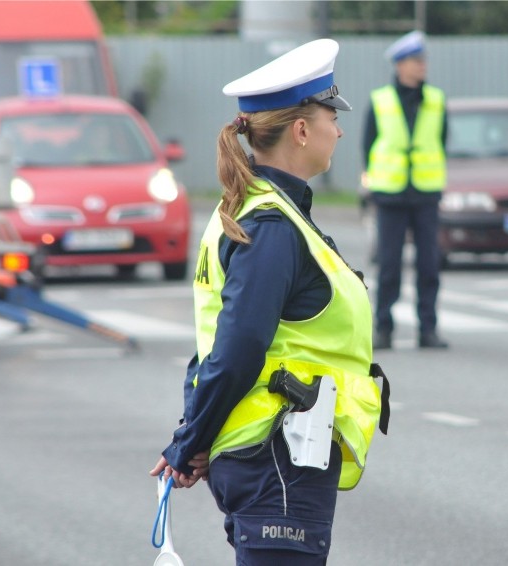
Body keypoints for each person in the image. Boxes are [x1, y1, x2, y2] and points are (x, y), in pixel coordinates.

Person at [149, 39, 388, 565]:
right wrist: (189, 440)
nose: (340, 129)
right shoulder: (272, 225)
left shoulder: (258, 210)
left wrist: (194, 436)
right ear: (301, 131)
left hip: (273, 452)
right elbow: (237, 347)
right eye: (332, 116)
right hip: (279, 453)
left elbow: (217, 343)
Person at [362, 30, 449, 350]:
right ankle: (383, 328)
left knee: (429, 264)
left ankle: (429, 329)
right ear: (399, 65)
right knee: (389, 265)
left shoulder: (436, 100)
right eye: (415, 60)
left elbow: (440, 141)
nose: (422, 66)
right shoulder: (380, 100)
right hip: (391, 194)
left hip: (425, 193)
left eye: (423, 60)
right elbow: (368, 146)